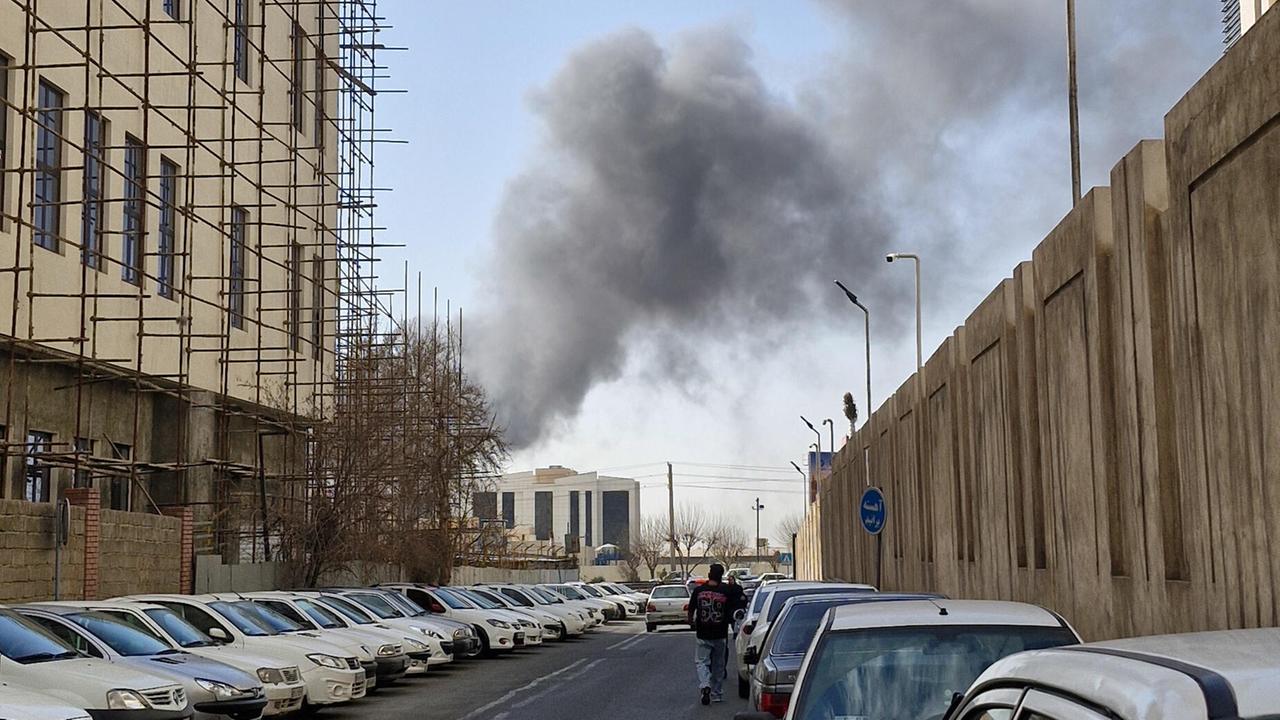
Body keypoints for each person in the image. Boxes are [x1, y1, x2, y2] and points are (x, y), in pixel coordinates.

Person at [687, 563, 747, 705]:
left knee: (701, 662)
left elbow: (691, 609)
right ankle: (716, 693)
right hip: (720, 634)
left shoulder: (699, 591)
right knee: (718, 665)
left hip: (702, 633)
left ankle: (705, 684)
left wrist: (691, 623)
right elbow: (736, 607)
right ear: (721, 576)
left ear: (709, 575)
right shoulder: (726, 591)